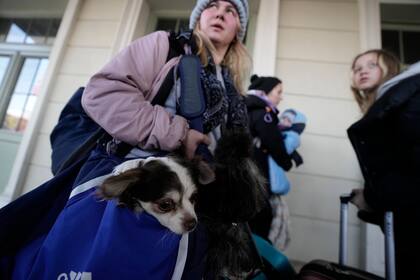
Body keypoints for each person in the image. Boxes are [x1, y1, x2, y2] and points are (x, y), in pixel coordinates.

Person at [1, 1, 262, 279]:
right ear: (198, 18)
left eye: (231, 11)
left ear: (238, 29)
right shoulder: (165, 46)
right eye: (212, 5)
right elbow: (102, 94)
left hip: (196, 210)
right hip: (133, 195)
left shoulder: (233, 90)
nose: (220, 12)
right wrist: (178, 132)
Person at [347, 49, 420, 279]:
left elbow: (406, 169)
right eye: (358, 68)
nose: (363, 71)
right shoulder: (390, 104)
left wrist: (370, 197)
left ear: (389, 67)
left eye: (371, 65)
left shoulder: (404, 102)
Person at [245, 75, 295, 241]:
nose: (281, 96)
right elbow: (273, 141)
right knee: (261, 215)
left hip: (247, 168)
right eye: (278, 92)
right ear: (265, 92)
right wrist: (286, 162)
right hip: (257, 168)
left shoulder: (250, 109)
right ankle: (258, 261)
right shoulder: (263, 113)